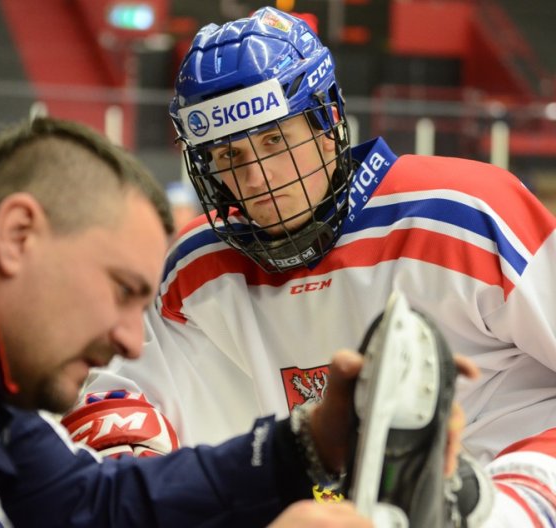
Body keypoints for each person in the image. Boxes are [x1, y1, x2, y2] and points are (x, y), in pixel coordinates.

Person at [71, 6, 556, 526]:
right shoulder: (191, 267)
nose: (255, 177)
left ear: (326, 122)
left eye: (274, 140)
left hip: (506, 481)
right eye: (228, 155)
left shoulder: (467, 211)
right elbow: (114, 401)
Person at [0, 114, 389, 527]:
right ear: (18, 236)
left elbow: (88, 506)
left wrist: (304, 444)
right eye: (122, 290)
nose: (130, 343)